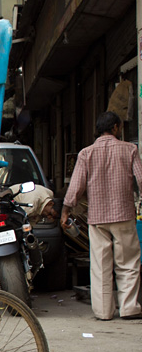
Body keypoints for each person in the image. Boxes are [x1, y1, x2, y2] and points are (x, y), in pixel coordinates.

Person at [61, 111, 142, 321]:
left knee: (100, 266)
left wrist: (66, 210)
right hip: (124, 214)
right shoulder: (130, 149)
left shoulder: (86, 153)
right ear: (115, 127)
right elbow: (141, 180)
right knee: (128, 263)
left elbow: (76, 186)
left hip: (97, 218)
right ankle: (129, 307)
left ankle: (104, 311)